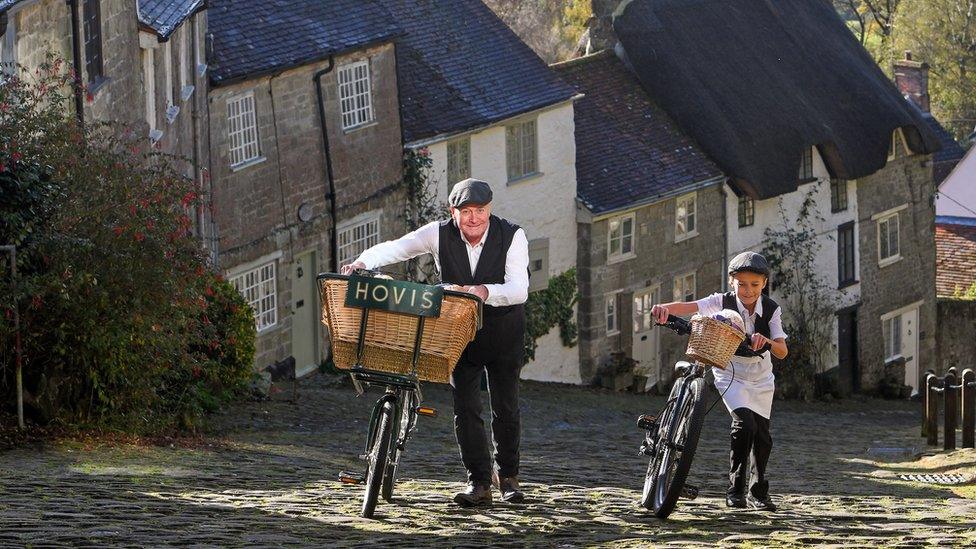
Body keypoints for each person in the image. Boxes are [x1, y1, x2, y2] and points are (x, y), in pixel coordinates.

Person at [340, 178, 529, 507]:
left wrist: (486, 292)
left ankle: (508, 477)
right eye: (466, 211)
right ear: (452, 211)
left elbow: (519, 288)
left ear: (490, 209)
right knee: (465, 408)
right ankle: (479, 482)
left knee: (506, 407)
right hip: (458, 331)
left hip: (503, 331)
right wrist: (363, 262)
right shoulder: (437, 233)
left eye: (480, 211)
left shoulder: (512, 236)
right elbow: (397, 247)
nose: (474, 219)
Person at [651, 251, 788, 511]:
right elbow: (689, 307)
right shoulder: (722, 302)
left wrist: (766, 342)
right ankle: (735, 490)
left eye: (755, 285)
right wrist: (663, 309)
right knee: (744, 425)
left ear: (764, 283)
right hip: (729, 372)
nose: (748, 291)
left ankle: (758, 492)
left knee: (763, 437)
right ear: (732, 282)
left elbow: (782, 350)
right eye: (742, 284)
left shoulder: (771, 309)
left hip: (760, 377)